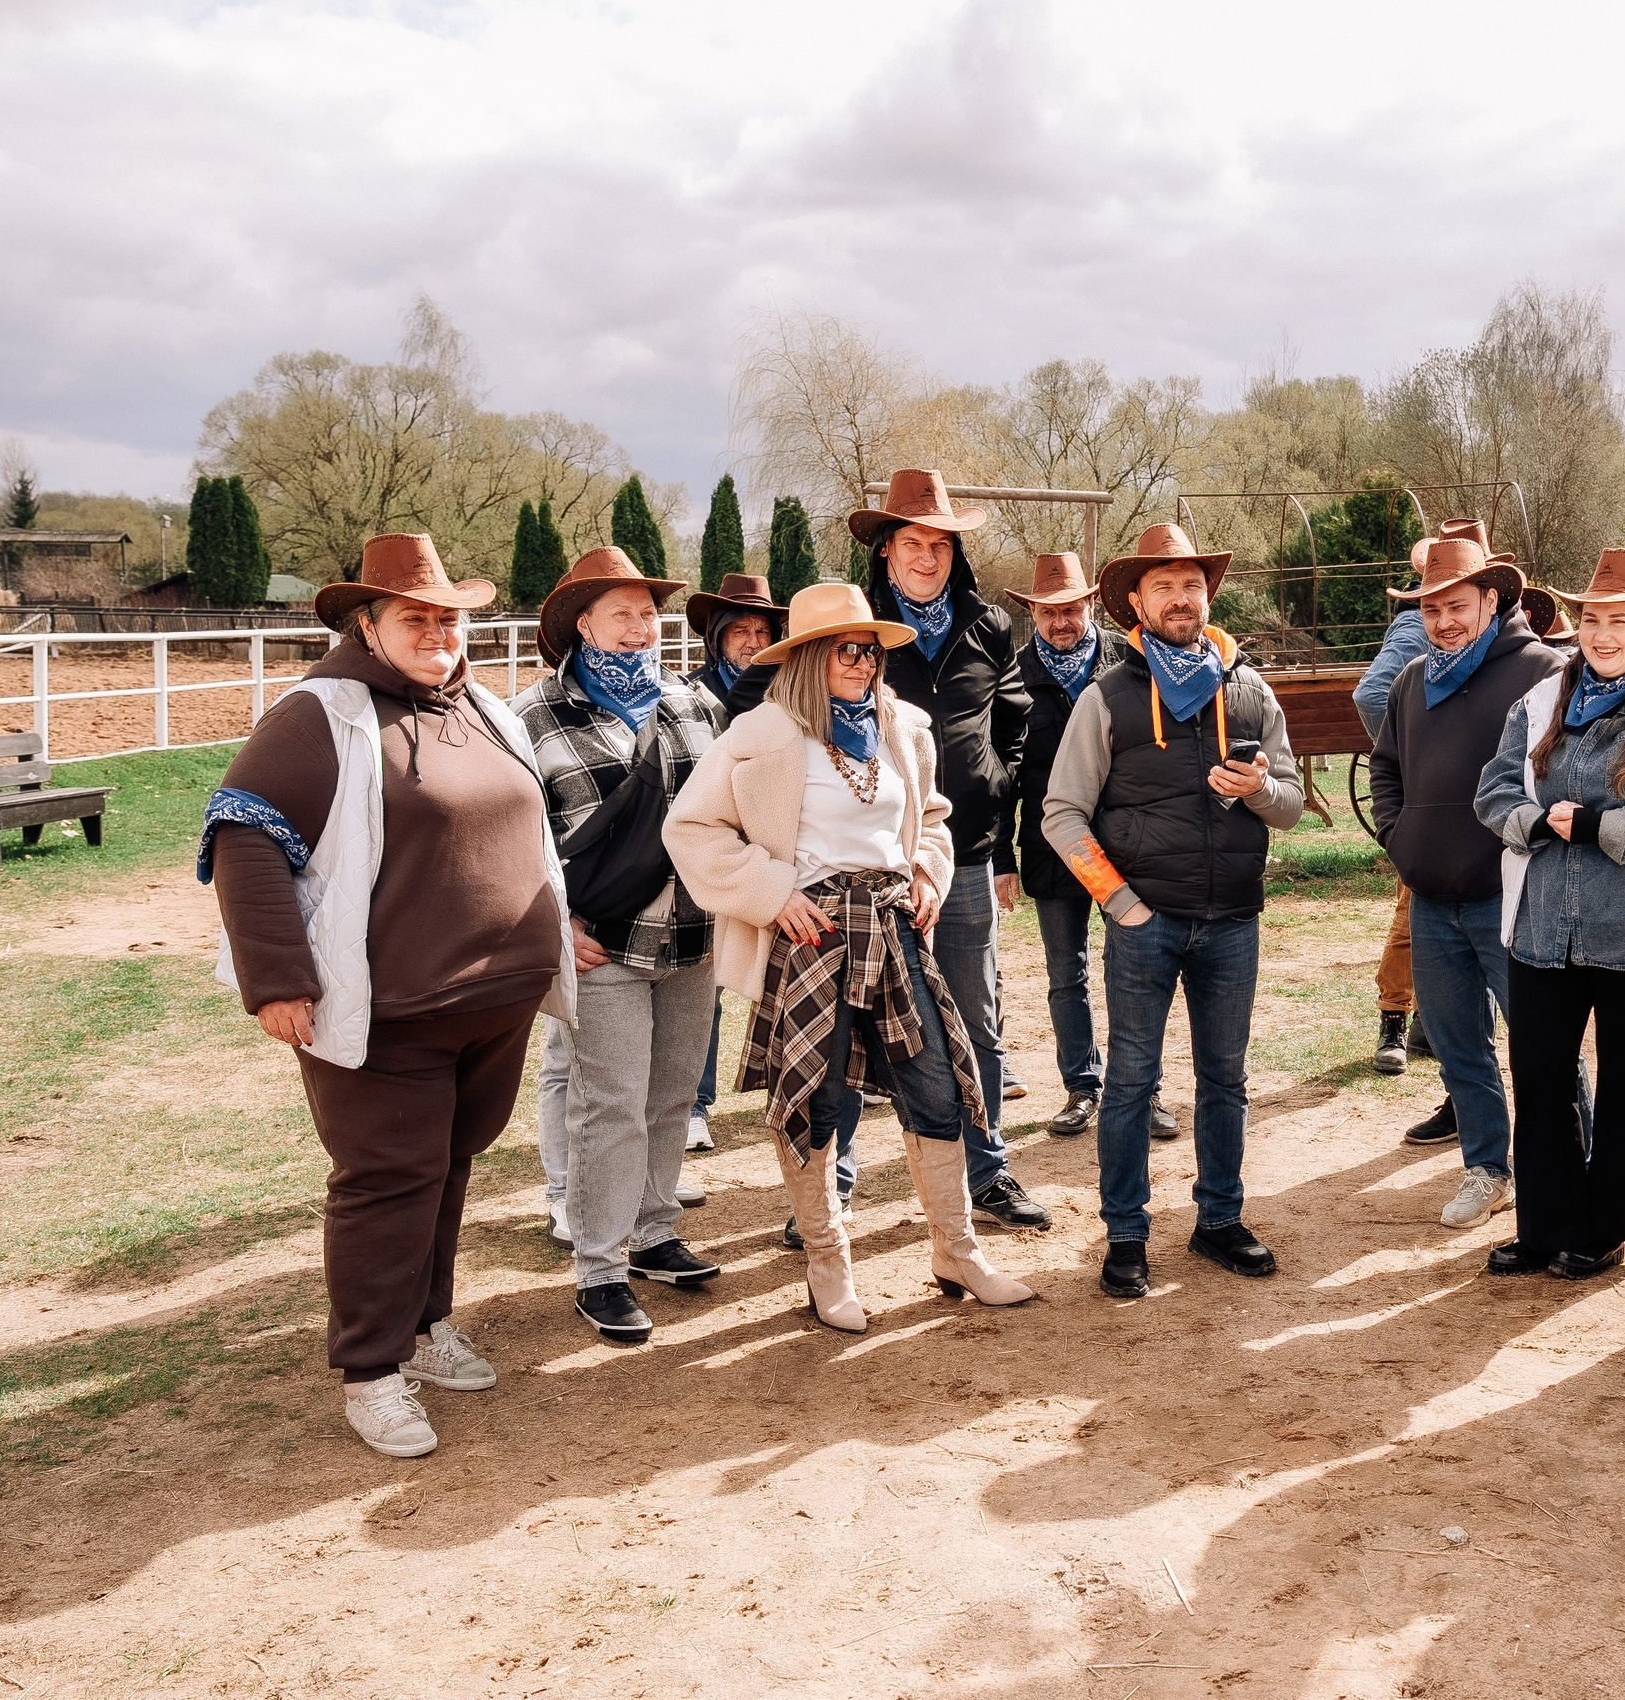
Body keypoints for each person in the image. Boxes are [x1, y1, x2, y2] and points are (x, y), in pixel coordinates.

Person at [204, 533, 576, 1458]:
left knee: (446, 1170)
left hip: (493, 1003)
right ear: (366, 623)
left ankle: (426, 1325)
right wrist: (278, 979)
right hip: (388, 1012)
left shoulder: (485, 705)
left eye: (449, 616)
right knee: (384, 1182)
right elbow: (245, 838)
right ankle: (372, 1370)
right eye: (417, 616)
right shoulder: (319, 714)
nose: (439, 631)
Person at [666, 583, 1033, 1332]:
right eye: (847, 649)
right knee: (817, 1098)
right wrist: (771, 892)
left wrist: (928, 871)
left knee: (935, 1082)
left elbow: (931, 815)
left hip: (893, 927)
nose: (863, 663)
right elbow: (691, 827)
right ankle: (826, 1265)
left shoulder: (902, 726)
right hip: (811, 937)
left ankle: (956, 1251)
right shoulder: (761, 734)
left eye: (870, 650)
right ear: (807, 656)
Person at [1042, 522, 1304, 1298]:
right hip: (1144, 925)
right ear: (1135, 601)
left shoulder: (1251, 691)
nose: (1180, 597)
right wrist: (1119, 903)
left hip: (1233, 922)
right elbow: (1062, 813)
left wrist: (1258, 791)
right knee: (1129, 1082)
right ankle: (1126, 1234)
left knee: (1226, 1080)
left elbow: (1290, 804)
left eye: (1191, 584)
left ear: (1208, 594)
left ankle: (1219, 1219)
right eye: (1163, 585)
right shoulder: (1108, 696)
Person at [515, 546, 723, 1345]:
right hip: (602, 943)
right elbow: (516, 841)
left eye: (648, 612)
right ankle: (599, 1266)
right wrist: (554, 926)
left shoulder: (692, 702)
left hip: (693, 936)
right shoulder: (534, 715)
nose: (640, 627)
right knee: (609, 1106)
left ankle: (655, 1229)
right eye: (622, 613)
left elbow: (725, 807)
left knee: (672, 1094)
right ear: (582, 623)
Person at [1474, 550, 1625, 1278]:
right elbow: (1494, 794)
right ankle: (1545, 1227)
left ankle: (1606, 1229)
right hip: (1542, 927)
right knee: (1539, 1077)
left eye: (1620, 620)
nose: (1602, 635)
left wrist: (1600, 825)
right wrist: (1538, 824)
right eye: (1593, 619)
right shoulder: (1540, 702)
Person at [840, 469, 1049, 1232]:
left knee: (976, 1017)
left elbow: (1015, 721)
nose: (926, 557)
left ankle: (987, 1172)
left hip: (962, 855)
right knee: (853, 1024)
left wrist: (996, 795)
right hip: (867, 859)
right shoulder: (854, 629)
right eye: (912, 543)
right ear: (886, 552)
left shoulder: (988, 624)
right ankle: (831, 1188)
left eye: (939, 543)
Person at [1371, 534, 1569, 1228]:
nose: (1444, 620)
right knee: (1459, 1047)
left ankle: (1573, 1170)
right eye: (1431, 609)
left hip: (1516, 897)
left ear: (1492, 599)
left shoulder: (1544, 673)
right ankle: (1489, 1168)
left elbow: (1567, 776)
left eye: (1457, 604)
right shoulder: (1412, 681)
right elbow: (1385, 768)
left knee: (1546, 1047)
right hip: (1433, 900)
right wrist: (1402, 840)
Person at [998, 550, 1176, 1141]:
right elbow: (1000, 773)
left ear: (1090, 605)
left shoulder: (1130, 663)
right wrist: (1002, 858)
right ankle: (1082, 1086)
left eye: (1070, 609)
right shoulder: (1014, 675)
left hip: (1128, 845)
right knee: (1064, 971)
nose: (1060, 622)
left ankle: (1143, 1090)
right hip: (1056, 848)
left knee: (1135, 967)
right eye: (1048, 612)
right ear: (1032, 614)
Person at [1352, 520, 1484, 1109]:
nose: (1446, 614)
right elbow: (1372, 693)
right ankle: (1394, 1023)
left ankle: (1443, 1054)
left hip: (1489, 826)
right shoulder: (1415, 627)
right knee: (1414, 913)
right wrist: (1416, 765)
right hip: (1431, 815)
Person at [678, 574, 783, 1156]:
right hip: (718, 853)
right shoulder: (694, 699)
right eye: (739, 630)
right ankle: (695, 1103)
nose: (750, 641)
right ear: (717, 638)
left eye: (761, 631)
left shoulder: (790, 695)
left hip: (777, 850)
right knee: (705, 980)